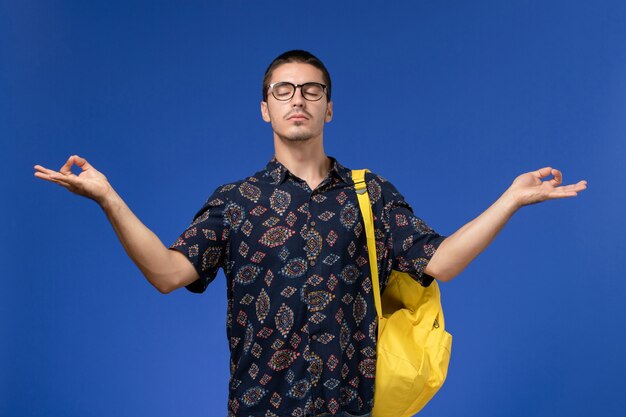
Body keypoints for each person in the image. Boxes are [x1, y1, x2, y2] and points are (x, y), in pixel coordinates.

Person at [33, 50, 587, 417]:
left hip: (351, 407)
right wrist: (109, 198)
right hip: (258, 409)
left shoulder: (371, 196)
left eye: (311, 90)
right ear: (265, 108)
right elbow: (165, 272)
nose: (297, 99)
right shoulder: (235, 201)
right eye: (284, 91)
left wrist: (510, 200)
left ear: (328, 108)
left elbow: (441, 261)